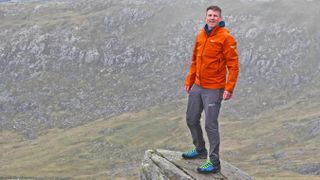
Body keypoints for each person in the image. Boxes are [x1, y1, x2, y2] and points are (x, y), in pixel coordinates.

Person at [182, 5, 239, 174]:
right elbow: (195, 60)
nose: (212, 18)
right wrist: (190, 79)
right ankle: (200, 150)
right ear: (206, 17)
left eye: (215, 15)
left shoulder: (226, 37)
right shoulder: (201, 34)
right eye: (209, 15)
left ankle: (214, 162)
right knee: (191, 119)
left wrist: (229, 87)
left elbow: (234, 66)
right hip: (198, 86)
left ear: (220, 19)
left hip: (214, 88)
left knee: (210, 125)